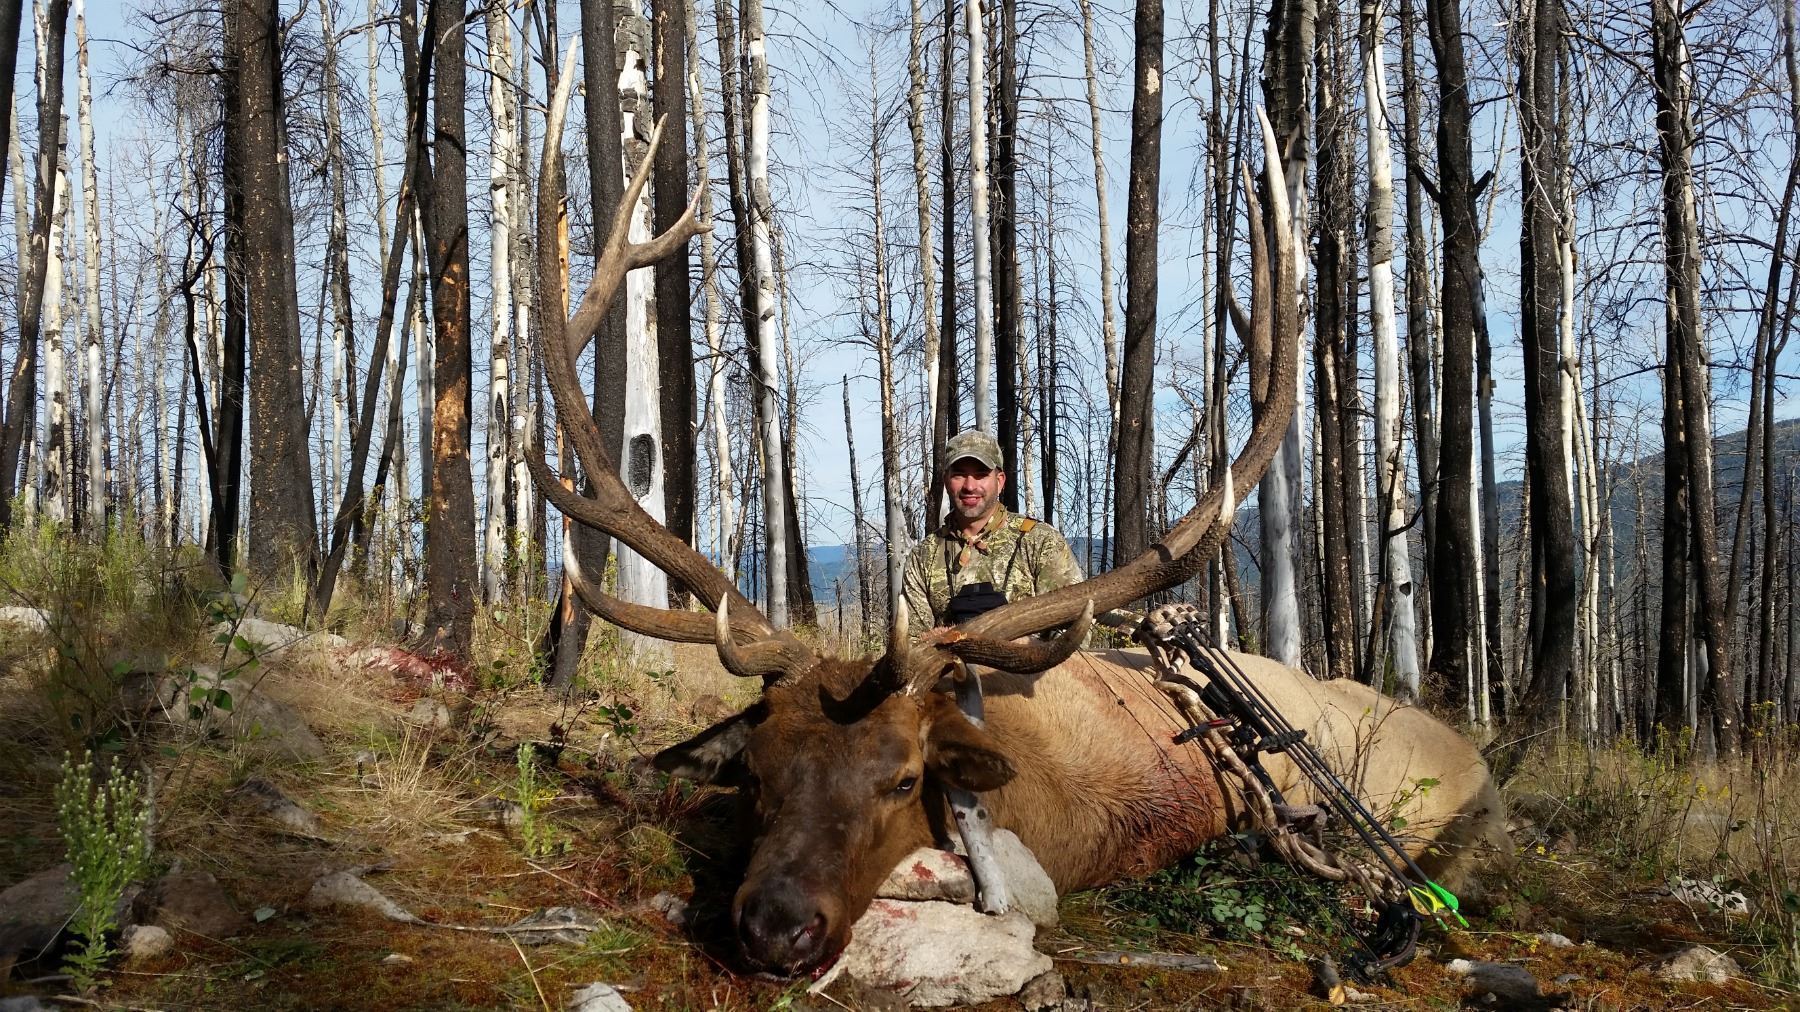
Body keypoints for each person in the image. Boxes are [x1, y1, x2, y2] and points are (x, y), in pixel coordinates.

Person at [901, 429, 1084, 632]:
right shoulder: (924, 556)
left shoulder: (1040, 541)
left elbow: (1073, 629)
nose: (970, 486)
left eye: (981, 475)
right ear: (946, 481)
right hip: (948, 654)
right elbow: (914, 642)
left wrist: (1022, 646)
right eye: (959, 475)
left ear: (1000, 481)